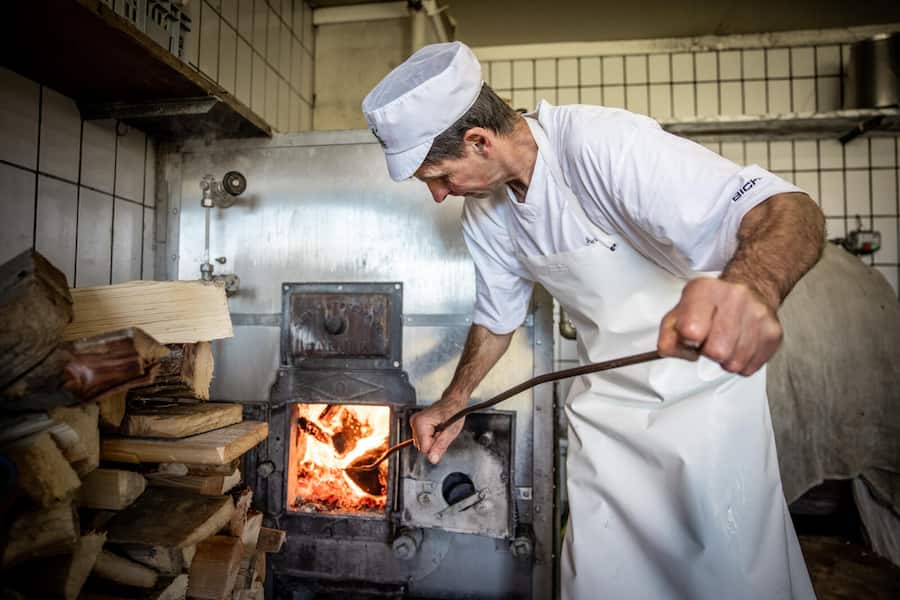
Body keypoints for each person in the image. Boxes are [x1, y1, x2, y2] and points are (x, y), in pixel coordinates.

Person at [362, 41, 823, 600]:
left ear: (478, 141)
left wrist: (752, 289)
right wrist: (455, 399)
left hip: (702, 408)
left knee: (724, 577)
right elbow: (497, 317)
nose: (437, 195)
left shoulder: (603, 146)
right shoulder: (486, 211)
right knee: (601, 578)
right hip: (605, 415)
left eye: (438, 175)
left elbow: (787, 208)